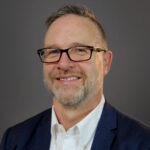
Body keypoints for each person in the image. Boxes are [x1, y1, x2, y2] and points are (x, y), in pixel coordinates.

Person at [0, 5, 150, 150]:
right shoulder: (15, 140)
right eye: (53, 52)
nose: (64, 64)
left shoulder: (143, 143)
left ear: (106, 62)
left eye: (79, 50)